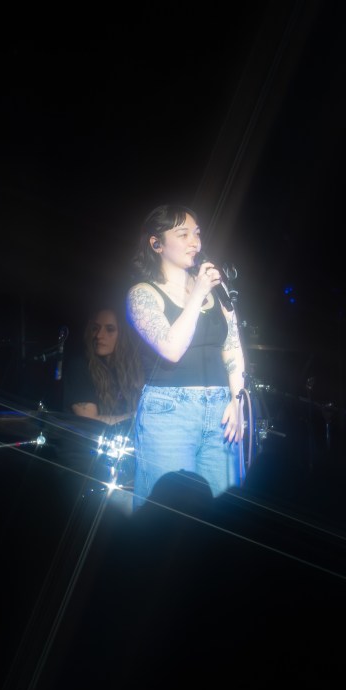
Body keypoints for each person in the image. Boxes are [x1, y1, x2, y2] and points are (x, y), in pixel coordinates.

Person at [126, 203, 246, 509]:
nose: (195, 242)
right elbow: (172, 348)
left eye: (197, 233)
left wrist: (238, 401)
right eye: (183, 234)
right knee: (166, 514)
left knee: (225, 514)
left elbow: (232, 346)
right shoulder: (142, 294)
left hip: (221, 410)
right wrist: (197, 293)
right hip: (169, 412)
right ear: (157, 244)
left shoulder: (217, 291)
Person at [63, 307, 144, 426]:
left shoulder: (134, 366)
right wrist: (137, 417)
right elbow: (88, 421)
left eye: (110, 329)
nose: (99, 335)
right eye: (95, 328)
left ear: (123, 335)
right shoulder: (79, 366)